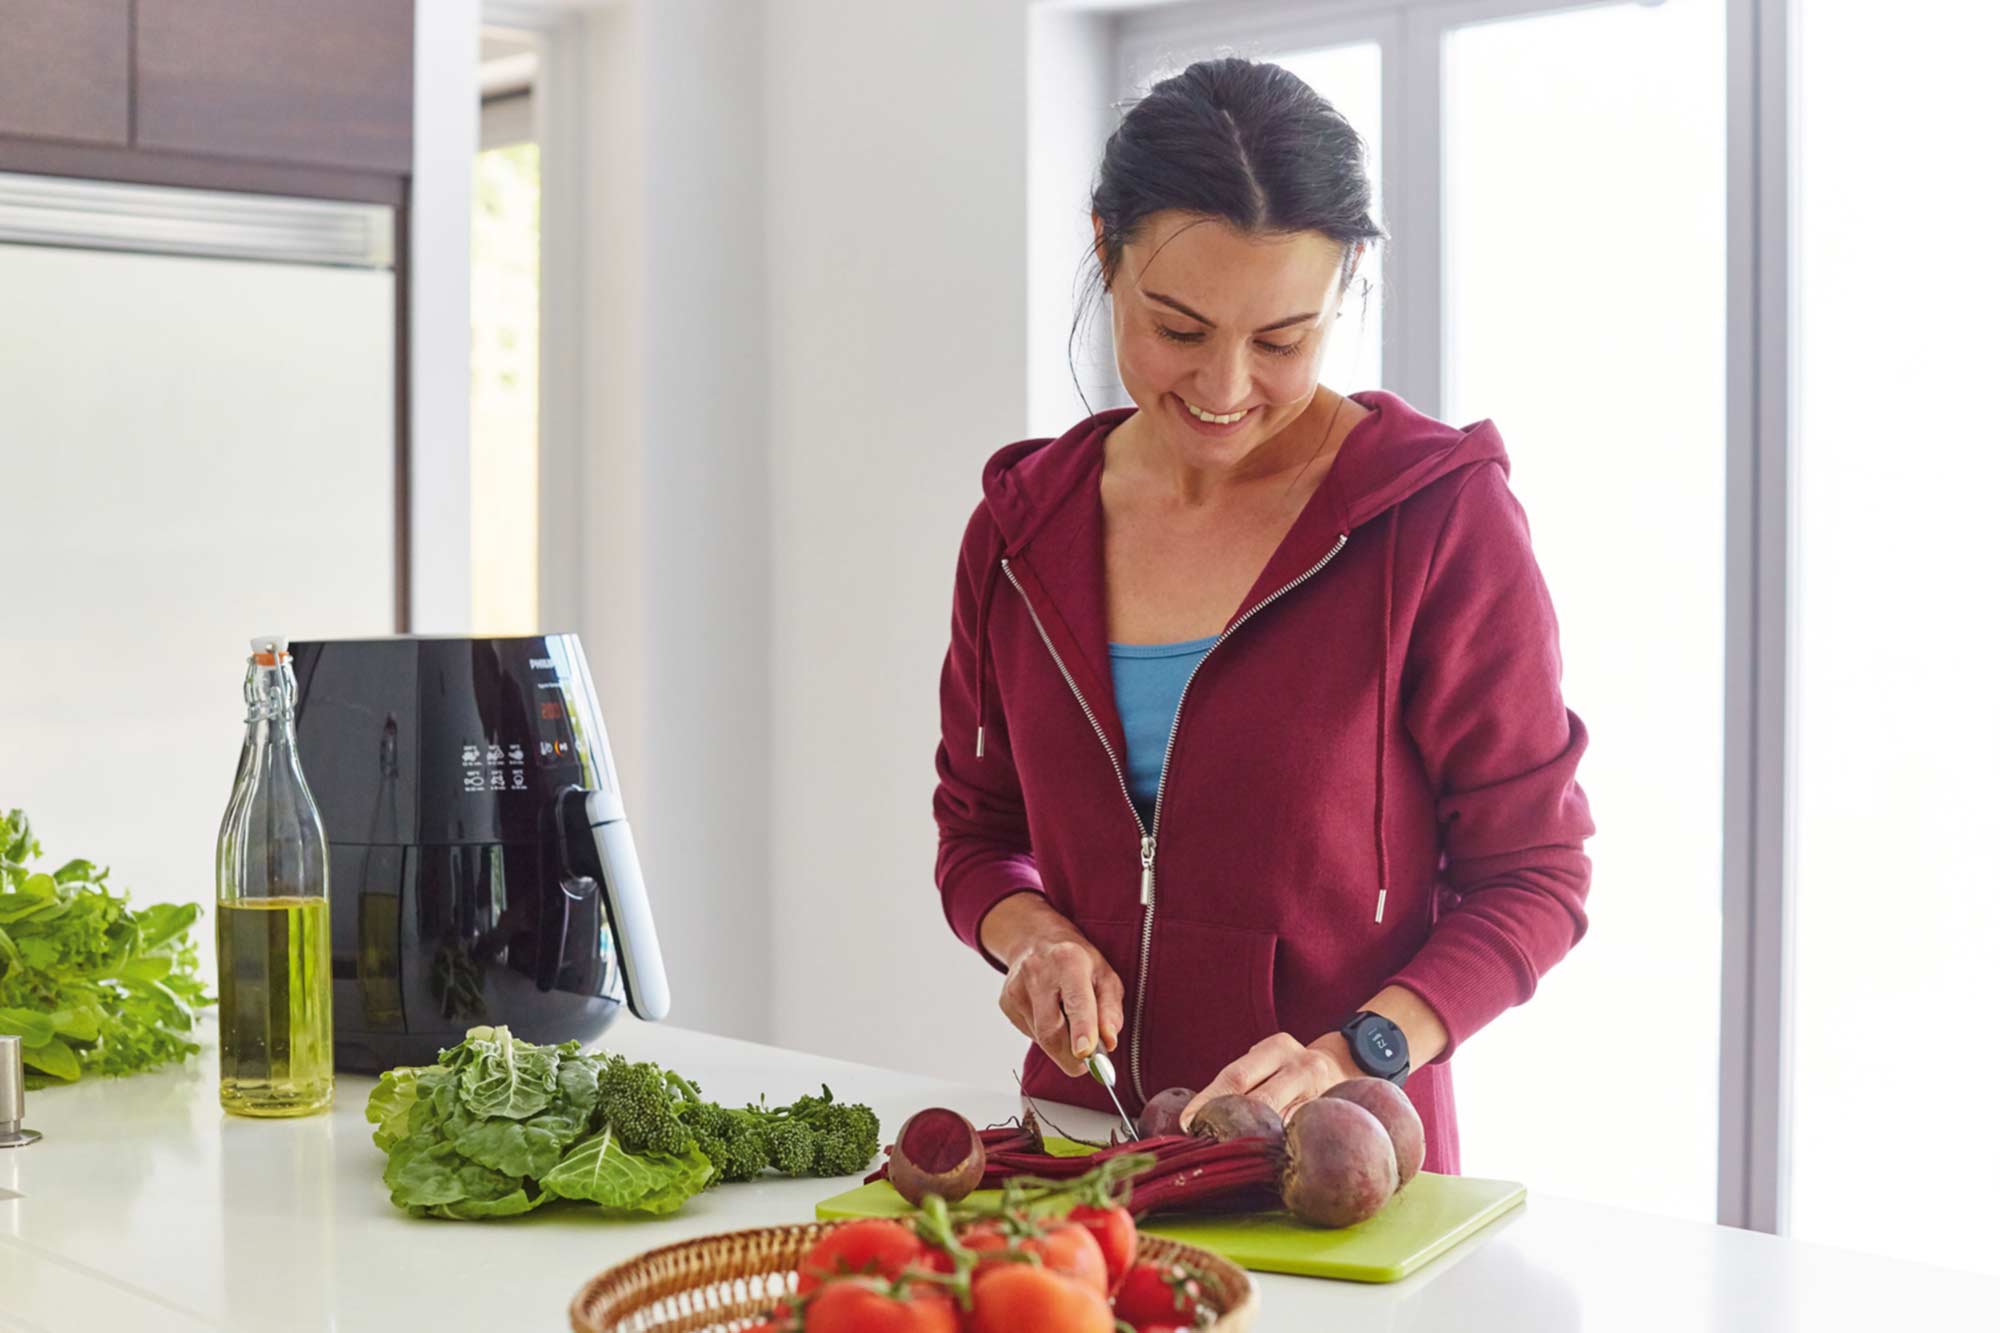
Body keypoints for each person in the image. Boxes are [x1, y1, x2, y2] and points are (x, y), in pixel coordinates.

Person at [931, 57, 1594, 1174]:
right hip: (1084, 1157)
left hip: (1337, 1172)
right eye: (1178, 330)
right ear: (1105, 252)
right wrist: (1031, 934)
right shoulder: (1018, 531)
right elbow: (978, 836)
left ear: (1346, 286)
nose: (1225, 388)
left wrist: (1358, 1051)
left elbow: (1535, 874)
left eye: (1282, 341)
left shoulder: (1437, 521)